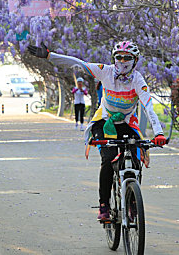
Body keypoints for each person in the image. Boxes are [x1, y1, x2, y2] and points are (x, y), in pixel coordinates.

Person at [28, 41, 167, 221]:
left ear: (136, 60)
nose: (123, 61)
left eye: (127, 58)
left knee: (135, 156)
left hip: (126, 122)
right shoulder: (105, 71)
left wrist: (159, 133)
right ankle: (104, 205)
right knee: (108, 160)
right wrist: (49, 56)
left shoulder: (138, 80)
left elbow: (148, 105)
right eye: (119, 57)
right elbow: (77, 63)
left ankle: (132, 201)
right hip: (104, 121)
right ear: (113, 59)